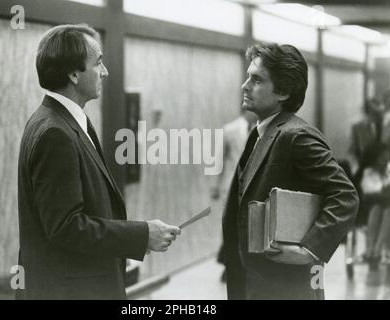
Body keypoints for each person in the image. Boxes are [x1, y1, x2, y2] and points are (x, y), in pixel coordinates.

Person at [17, 24, 180, 300]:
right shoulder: (55, 133)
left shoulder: (62, 121)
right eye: (99, 63)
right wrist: (141, 235)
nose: (105, 72)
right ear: (73, 74)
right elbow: (66, 227)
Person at [222, 43, 359, 300]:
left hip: (286, 289)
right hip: (257, 284)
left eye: (257, 79)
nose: (245, 85)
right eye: (247, 76)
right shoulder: (261, 133)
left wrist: (309, 249)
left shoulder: (296, 136)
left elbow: (345, 196)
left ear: (283, 91)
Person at [211, 109, 254, 282]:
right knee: (230, 225)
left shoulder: (263, 129)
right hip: (232, 185)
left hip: (253, 185)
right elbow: (219, 160)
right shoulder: (230, 130)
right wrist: (215, 185)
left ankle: (245, 265)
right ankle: (230, 264)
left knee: (248, 226)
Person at [357, 143, 390, 269]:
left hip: (387, 207)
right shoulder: (369, 173)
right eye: (382, 158)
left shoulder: (388, 171)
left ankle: (377, 249)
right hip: (370, 208)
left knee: (387, 212)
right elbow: (369, 191)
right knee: (376, 209)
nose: (384, 161)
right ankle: (371, 249)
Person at [348, 98, 384, 176]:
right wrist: (356, 170)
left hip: (383, 171)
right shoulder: (357, 127)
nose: (379, 116)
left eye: (380, 113)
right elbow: (352, 151)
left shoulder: (385, 127)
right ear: (367, 112)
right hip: (364, 170)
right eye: (376, 113)